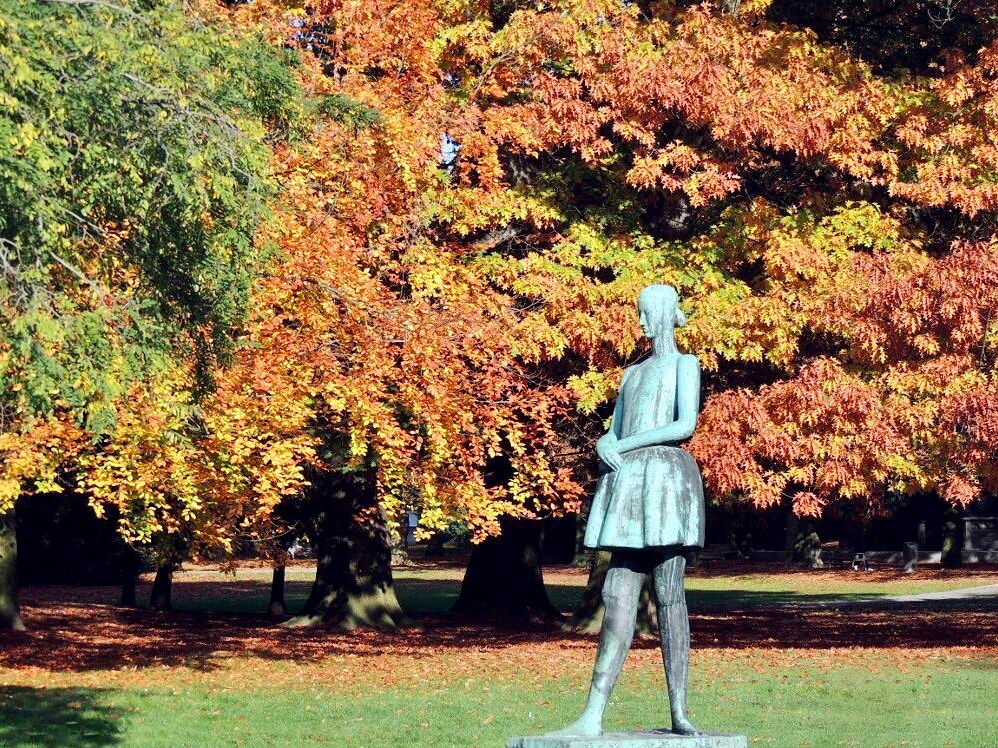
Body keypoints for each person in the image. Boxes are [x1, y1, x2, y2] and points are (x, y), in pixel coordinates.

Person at [551, 284, 704, 737]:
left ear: (661, 315)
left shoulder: (684, 364)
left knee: (668, 591)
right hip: (629, 483)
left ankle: (680, 712)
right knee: (616, 593)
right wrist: (605, 441)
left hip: (664, 478)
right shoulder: (631, 375)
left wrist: (623, 445)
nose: (638, 322)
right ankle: (592, 715)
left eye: (643, 314)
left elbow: (685, 424)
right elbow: (614, 428)